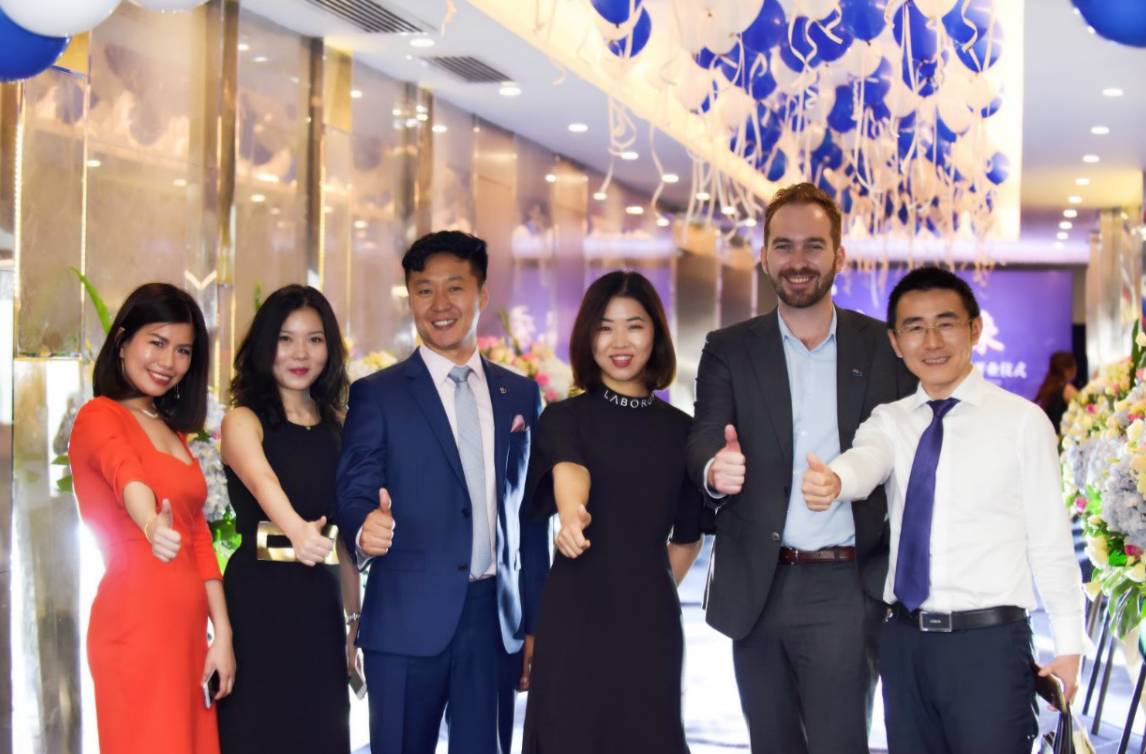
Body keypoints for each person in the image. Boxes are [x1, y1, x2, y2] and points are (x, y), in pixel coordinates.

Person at [802, 267, 1084, 754]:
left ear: (975, 329)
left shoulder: (1022, 422)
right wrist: (836, 480)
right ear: (896, 342)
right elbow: (866, 460)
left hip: (990, 645)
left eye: (945, 323)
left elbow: (1049, 540)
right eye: (915, 327)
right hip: (905, 643)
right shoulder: (890, 420)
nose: (931, 341)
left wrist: (1070, 644)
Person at [685, 182, 915, 754]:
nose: (798, 261)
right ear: (765, 256)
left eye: (814, 246)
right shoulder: (728, 348)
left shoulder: (882, 348)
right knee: (772, 743)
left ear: (839, 255)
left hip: (847, 584)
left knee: (840, 743)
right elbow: (705, 434)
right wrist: (715, 468)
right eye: (783, 246)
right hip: (757, 585)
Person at [335, 230, 549, 754]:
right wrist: (364, 526)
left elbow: (530, 518)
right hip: (405, 620)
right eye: (423, 290)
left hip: (493, 621)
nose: (439, 305)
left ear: (482, 293)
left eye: (454, 287)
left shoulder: (520, 394)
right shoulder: (377, 395)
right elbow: (355, 488)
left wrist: (535, 624)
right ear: (410, 298)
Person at [521, 271, 704, 754]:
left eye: (634, 326)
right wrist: (572, 515)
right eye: (605, 328)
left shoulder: (683, 432)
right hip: (573, 619)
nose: (619, 342)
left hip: (651, 625)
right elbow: (571, 469)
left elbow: (688, 538)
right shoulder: (564, 417)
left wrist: (643, 589)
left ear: (656, 334)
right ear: (588, 336)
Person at [68, 283, 235, 754]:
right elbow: (126, 474)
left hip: (188, 636)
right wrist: (150, 525)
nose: (169, 361)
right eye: (157, 343)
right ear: (123, 342)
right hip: (135, 627)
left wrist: (222, 634)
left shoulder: (171, 429)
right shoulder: (99, 416)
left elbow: (198, 538)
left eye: (183, 350)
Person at [216, 285, 358, 753]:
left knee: (322, 731)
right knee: (258, 732)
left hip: (319, 605)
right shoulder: (243, 419)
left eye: (314, 340)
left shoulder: (340, 425)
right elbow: (262, 483)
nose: (301, 353)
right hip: (258, 601)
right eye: (285, 339)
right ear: (265, 345)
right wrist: (296, 531)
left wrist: (354, 620)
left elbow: (342, 538)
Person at [1034, 351, 1079, 434]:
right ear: (1067, 370)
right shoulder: (1068, 390)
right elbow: (1084, 411)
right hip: (1063, 436)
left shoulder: (1048, 387)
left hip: (1050, 434)